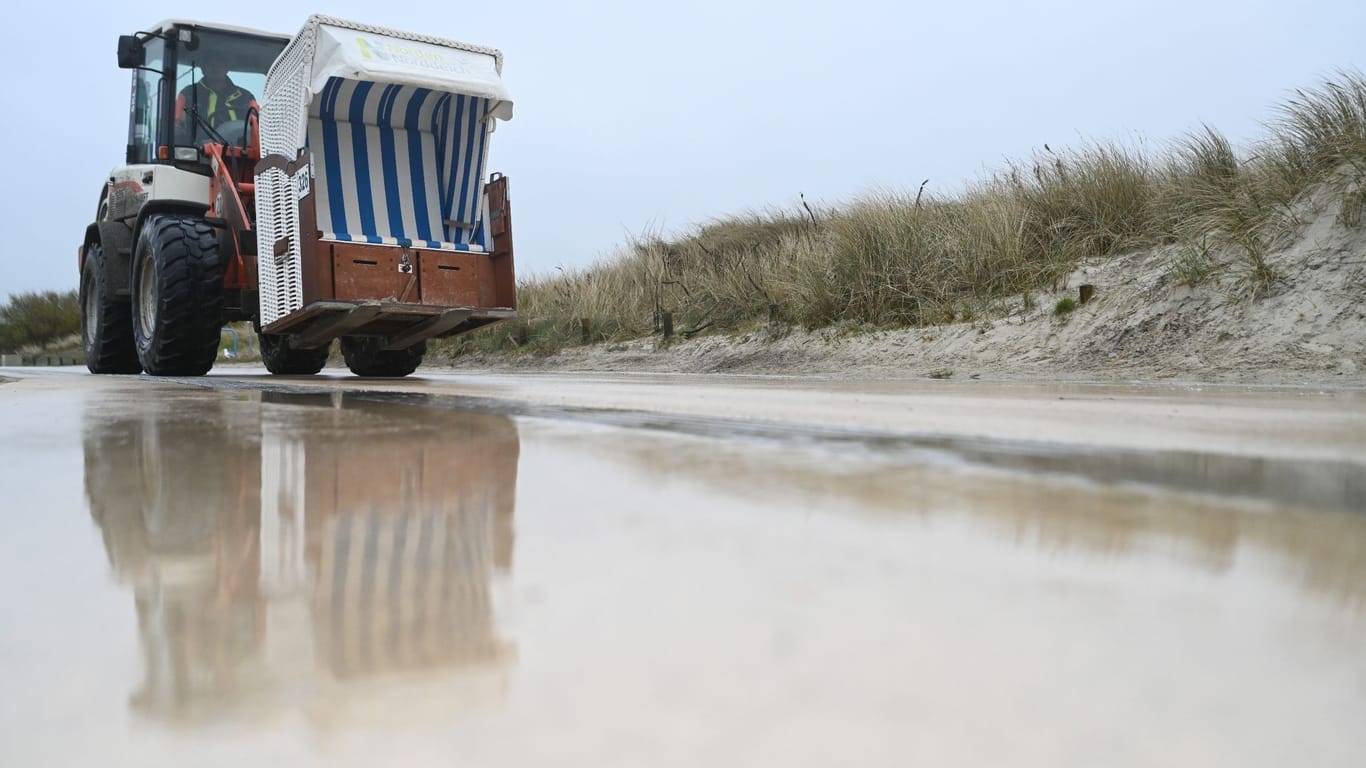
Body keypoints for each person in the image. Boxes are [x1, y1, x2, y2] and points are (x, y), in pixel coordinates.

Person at [174, 53, 258, 145]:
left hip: (241, 152)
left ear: (226, 69)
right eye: (210, 65)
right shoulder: (188, 94)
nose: (215, 69)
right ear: (203, 69)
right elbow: (176, 123)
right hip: (199, 153)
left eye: (219, 65)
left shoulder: (245, 96)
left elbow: (257, 125)